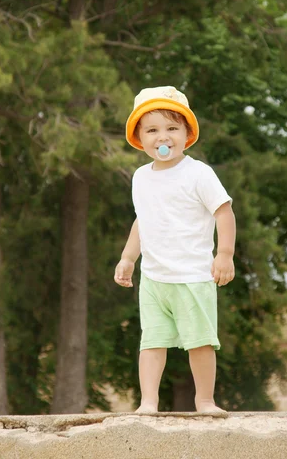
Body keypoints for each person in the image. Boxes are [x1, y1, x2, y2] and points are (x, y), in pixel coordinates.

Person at [114, 85, 236, 413]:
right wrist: (128, 258)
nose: (162, 137)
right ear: (140, 137)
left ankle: (205, 400)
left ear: (186, 134)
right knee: (151, 342)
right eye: (152, 129)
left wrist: (224, 254)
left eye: (172, 128)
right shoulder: (140, 177)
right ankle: (148, 402)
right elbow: (144, 220)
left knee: (199, 342)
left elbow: (223, 211)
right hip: (154, 278)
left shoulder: (198, 173)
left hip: (192, 275)